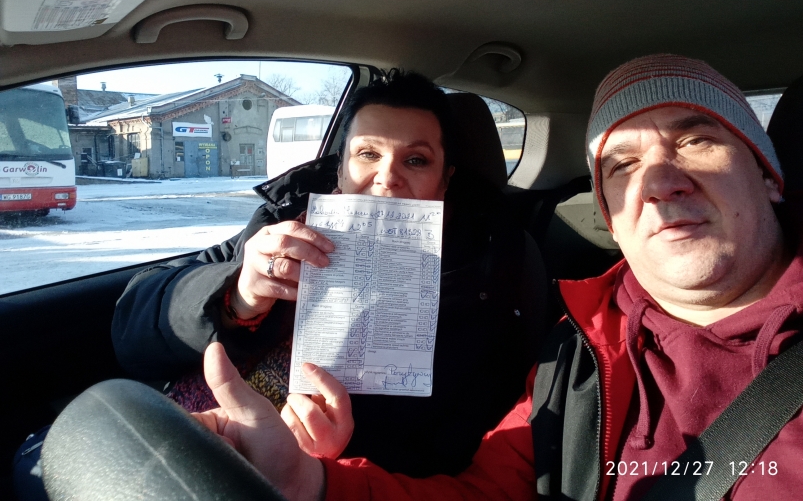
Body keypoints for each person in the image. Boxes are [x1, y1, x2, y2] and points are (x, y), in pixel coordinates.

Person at [189, 54, 803, 500]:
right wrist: (307, 480)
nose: (661, 182)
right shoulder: (580, 350)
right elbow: (490, 491)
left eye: (695, 141)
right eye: (623, 164)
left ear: (769, 175)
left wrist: (329, 463)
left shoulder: (509, 284)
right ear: (612, 216)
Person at [111, 69, 549, 476]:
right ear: (340, 167)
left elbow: (460, 455)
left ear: (445, 179)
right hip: (173, 440)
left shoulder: (492, 277)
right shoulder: (282, 221)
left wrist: (325, 463)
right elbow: (131, 326)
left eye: (416, 160)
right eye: (368, 153)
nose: (387, 177)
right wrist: (237, 295)